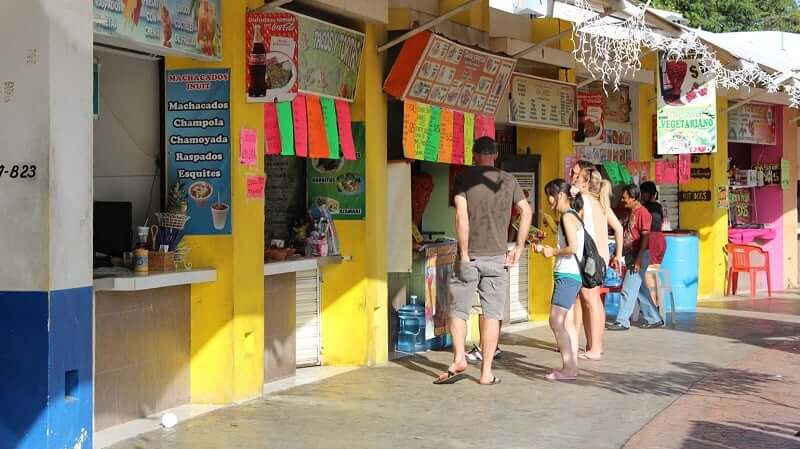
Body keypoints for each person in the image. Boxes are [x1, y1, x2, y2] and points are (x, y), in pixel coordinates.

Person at [434, 136, 532, 385]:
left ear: (474, 154)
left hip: (471, 256)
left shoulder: (464, 178)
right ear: (495, 155)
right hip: (498, 259)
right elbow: (527, 211)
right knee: (492, 314)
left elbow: (461, 216)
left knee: (458, 310)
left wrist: (465, 253)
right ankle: (486, 372)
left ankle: (459, 358)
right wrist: (518, 248)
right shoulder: (509, 181)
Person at [570, 163, 624, 360]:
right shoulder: (601, 202)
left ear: (584, 182)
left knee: (590, 301)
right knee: (590, 302)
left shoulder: (583, 200)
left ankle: (594, 348)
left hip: (589, 258)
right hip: (601, 257)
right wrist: (617, 254)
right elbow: (618, 228)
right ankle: (592, 344)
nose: (572, 178)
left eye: (576, 176)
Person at [534, 179, 584, 381]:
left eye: (551, 194)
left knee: (555, 320)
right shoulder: (572, 216)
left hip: (567, 275)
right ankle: (572, 365)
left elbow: (571, 248)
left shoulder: (567, 218)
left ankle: (569, 369)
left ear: (561, 195)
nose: (549, 199)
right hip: (572, 275)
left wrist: (551, 251)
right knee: (568, 323)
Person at [606, 184, 664, 331]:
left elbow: (645, 238)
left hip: (640, 255)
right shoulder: (631, 212)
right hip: (632, 255)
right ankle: (654, 318)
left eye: (625, 198)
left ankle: (622, 321)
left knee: (627, 289)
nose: (622, 200)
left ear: (633, 198)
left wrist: (638, 259)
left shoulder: (643, 213)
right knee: (639, 290)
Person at [640, 181, 667, 307]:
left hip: (652, 240)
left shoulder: (645, 208)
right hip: (660, 239)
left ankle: (652, 306)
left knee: (648, 274)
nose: (641, 195)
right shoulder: (658, 206)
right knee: (655, 273)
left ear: (648, 193)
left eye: (643, 193)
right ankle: (659, 304)